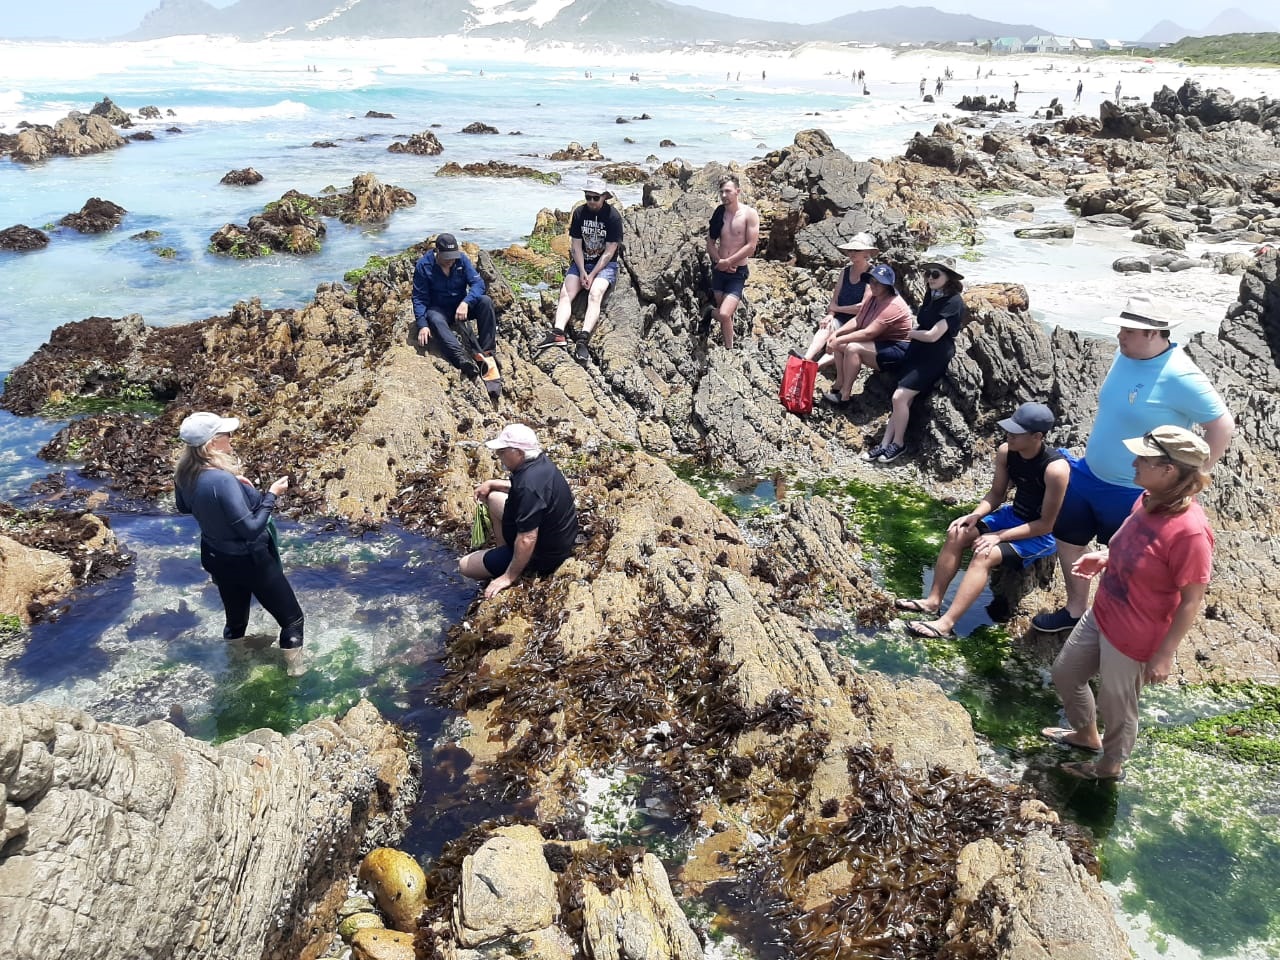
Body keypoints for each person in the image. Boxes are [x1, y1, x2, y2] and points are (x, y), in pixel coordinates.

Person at [1032, 296, 1233, 634]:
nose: (1120, 336)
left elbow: (1221, 425)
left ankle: (1108, 624)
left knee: (1125, 561)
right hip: (1089, 472)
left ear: (1153, 334)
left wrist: (1190, 477)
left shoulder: (1181, 374)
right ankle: (1075, 609)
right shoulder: (1126, 355)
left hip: (1133, 488)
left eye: (1128, 330)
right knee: (1067, 539)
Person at [1041, 426, 1215, 781]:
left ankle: (1109, 767)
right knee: (1066, 674)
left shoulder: (1191, 532)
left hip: (1135, 635)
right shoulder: (1147, 497)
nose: (1134, 462)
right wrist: (1105, 557)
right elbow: (1136, 545)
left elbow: (1191, 600)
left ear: (1169, 470)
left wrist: (1164, 654)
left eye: (1144, 459)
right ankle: (1087, 736)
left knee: (1117, 707)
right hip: (1103, 611)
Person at [896, 403, 1068, 639]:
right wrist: (975, 515)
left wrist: (998, 536)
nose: (1009, 435)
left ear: (1038, 436)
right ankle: (932, 601)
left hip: (1040, 533)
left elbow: (1047, 524)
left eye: (1017, 433)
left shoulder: (1055, 469)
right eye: (1009, 429)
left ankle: (946, 624)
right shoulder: (1007, 452)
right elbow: (997, 494)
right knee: (958, 532)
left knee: (984, 554)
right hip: (1013, 514)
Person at [173, 412, 305, 676]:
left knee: (235, 622)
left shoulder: (184, 473)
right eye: (226, 434)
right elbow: (251, 529)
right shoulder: (221, 480)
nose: (231, 438)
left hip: (216, 557)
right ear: (211, 444)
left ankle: (236, 666)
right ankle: (296, 672)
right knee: (292, 620)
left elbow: (183, 506)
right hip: (251, 560)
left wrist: (238, 488)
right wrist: (271, 495)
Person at [460, 424, 580, 599]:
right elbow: (531, 492)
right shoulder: (539, 463)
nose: (498, 455)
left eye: (502, 451)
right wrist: (494, 483)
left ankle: (511, 565)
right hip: (557, 536)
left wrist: (508, 577)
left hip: (542, 554)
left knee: (465, 566)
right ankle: (504, 550)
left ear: (518, 452)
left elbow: (527, 538)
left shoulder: (528, 485)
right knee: (494, 498)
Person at [866, 257, 968, 464]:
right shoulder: (932, 295)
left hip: (934, 355)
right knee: (903, 398)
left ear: (949, 278)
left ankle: (899, 443)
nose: (930, 278)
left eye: (936, 274)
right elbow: (924, 323)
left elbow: (933, 335)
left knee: (899, 397)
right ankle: (886, 443)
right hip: (918, 351)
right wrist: (914, 334)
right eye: (928, 274)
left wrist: (910, 334)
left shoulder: (954, 302)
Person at [539, 178, 624, 363]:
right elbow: (576, 246)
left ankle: (583, 338)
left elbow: (610, 251)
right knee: (566, 292)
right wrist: (582, 270)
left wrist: (592, 275)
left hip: (605, 265)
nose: (591, 202)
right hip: (582, 262)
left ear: (603, 197)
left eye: (595, 198)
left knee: (595, 293)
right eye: (588, 197)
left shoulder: (613, 217)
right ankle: (558, 333)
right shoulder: (579, 213)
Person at [823, 263, 912, 407]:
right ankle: (839, 383)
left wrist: (839, 339)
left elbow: (869, 332)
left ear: (888, 286)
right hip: (880, 342)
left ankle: (844, 396)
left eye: (879, 283)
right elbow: (858, 320)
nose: (873, 285)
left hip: (897, 349)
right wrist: (837, 334)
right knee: (840, 344)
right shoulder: (872, 296)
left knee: (853, 348)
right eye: (872, 281)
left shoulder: (893, 305)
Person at [412, 233, 498, 379]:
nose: (450, 261)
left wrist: (466, 302)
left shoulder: (461, 260)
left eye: (453, 257)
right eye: (447, 257)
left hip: (460, 307)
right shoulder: (423, 266)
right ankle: (462, 358)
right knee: (433, 318)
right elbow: (419, 298)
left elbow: (478, 284)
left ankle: (487, 351)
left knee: (485, 301)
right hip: (439, 310)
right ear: (437, 251)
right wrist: (422, 325)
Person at [800, 232, 878, 365]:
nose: (852, 253)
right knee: (826, 327)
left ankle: (816, 366)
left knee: (842, 343)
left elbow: (862, 307)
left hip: (859, 322)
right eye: (850, 250)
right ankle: (806, 359)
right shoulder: (845, 271)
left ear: (866, 252)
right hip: (840, 318)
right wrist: (831, 314)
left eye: (856, 250)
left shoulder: (873, 274)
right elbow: (835, 298)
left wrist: (838, 308)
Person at [704, 174, 760, 349]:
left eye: (727, 191)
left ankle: (708, 313)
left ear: (737, 192)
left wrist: (729, 262)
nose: (723, 195)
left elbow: (751, 246)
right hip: (719, 269)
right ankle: (730, 348)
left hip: (737, 272)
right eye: (721, 192)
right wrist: (719, 261)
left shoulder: (749, 214)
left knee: (724, 313)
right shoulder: (719, 213)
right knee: (725, 314)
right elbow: (710, 242)